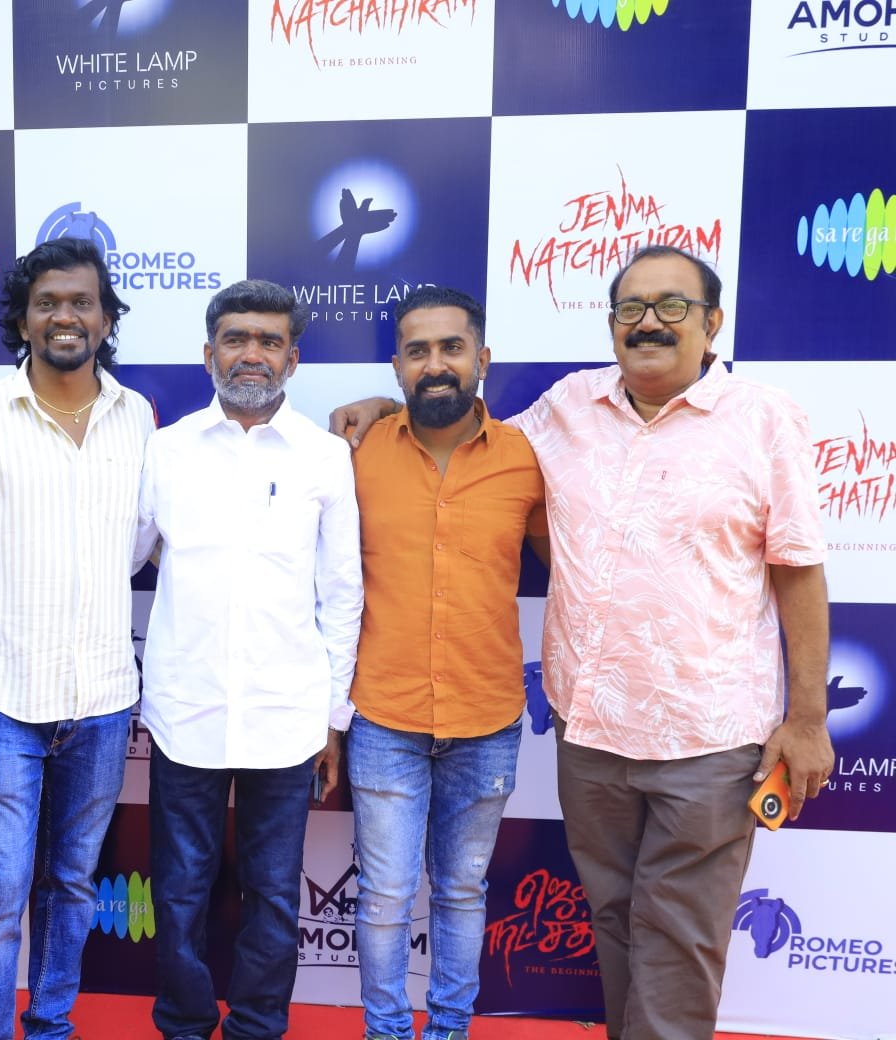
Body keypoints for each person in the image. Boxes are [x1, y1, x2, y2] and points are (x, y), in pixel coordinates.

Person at [332, 246, 832, 1040]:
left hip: (709, 736)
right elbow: (460, 426)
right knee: (617, 919)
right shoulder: (568, 409)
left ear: (713, 323)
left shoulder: (767, 419)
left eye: (672, 306)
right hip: (591, 734)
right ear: (611, 324)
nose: (649, 323)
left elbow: (798, 571)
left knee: (680, 934)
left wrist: (806, 719)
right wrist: (379, 404)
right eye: (632, 308)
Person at [0, 237, 156, 1040]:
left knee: (74, 884)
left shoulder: (136, 417)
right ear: (22, 320)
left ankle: (50, 1024)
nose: (65, 316)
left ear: (106, 318)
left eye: (81, 302)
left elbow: (138, 549)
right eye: (47, 303)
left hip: (103, 701)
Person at [133, 279, 361, 1040]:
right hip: (185, 710)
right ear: (209, 354)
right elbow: (126, 556)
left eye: (269, 341)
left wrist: (333, 717)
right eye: (236, 339)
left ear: (293, 359)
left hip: (286, 717)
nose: (252, 354)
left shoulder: (325, 458)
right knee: (179, 891)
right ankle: (184, 1024)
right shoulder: (165, 450)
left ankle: (259, 1026)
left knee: (271, 892)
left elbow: (342, 594)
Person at [344, 286, 546, 1040]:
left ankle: (450, 1030)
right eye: (417, 351)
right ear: (397, 366)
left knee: (462, 891)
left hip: (486, 718)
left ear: (482, 358)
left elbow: (578, 568)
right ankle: (386, 1032)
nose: (435, 365)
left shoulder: (527, 461)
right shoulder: (354, 453)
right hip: (385, 716)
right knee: (385, 897)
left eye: (452, 348)